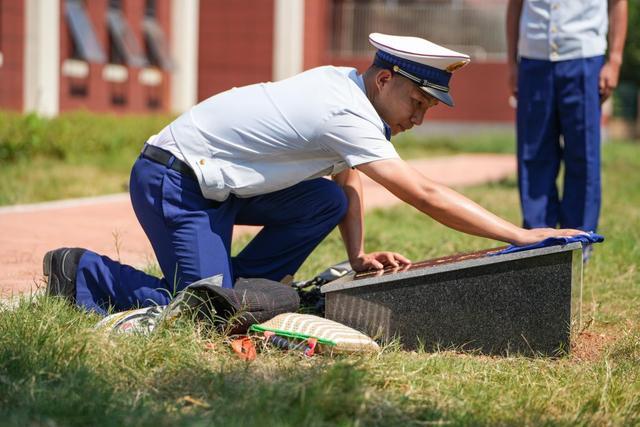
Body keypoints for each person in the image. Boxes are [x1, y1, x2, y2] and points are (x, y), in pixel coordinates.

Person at [44, 33, 585, 315]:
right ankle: (84, 272)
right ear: (385, 80)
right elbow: (422, 193)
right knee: (203, 318)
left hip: (219, 186)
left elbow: (345, 181)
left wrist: (356, 256)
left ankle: (237, 287)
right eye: (418, 101)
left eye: (428, 109)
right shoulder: (345, 109)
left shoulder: (352, 92)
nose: (419, 117)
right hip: (176, 181)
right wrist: (520, 234)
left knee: (325, 202)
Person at [506, 0, 627, 240]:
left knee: (583, 153)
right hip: (534, 59)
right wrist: (512, 62)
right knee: (533, 153)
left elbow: (618, 3)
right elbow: (515, 5)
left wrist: (615, 59)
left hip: (584, 58)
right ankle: (538, 238)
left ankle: (580, 238)